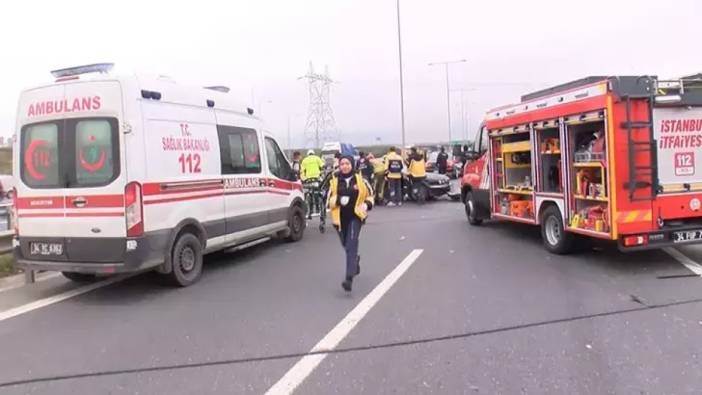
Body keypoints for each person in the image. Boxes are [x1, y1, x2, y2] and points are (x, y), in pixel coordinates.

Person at [328, 155, 374, 292]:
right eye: (342, 164)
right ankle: (355, 260)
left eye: (347, 163)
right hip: (340, 219)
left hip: (355, 217)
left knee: (352, 243)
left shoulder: (361, 180)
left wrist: (366, 205)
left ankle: (349, 278)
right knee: (346, 245)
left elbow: (371, 195)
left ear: (352, 165)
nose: (345, 166)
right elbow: (327, 199)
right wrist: (338, 200)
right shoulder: (335, 181)